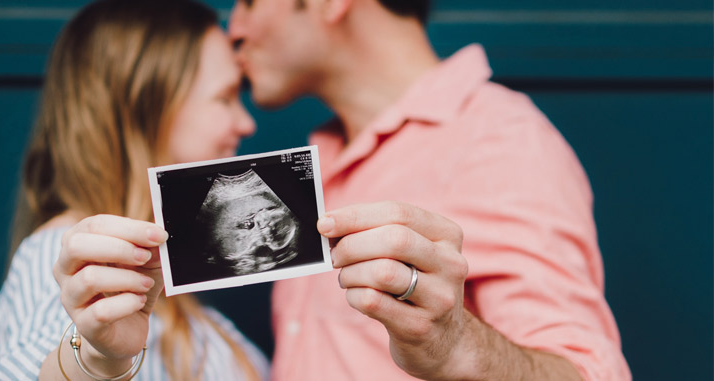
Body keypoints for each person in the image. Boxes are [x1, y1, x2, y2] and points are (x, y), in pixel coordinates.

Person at [227, 0, 631, 380]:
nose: (234, 28)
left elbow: (587, 372)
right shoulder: (320, 159)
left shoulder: (499, 140)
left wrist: (457, 346)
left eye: (248, 2)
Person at [0, 1, 265, 380]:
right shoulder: (72, 262)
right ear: (146, 107)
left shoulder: (164, 287)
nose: (246, 124)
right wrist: (98, 359)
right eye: (225, 97)